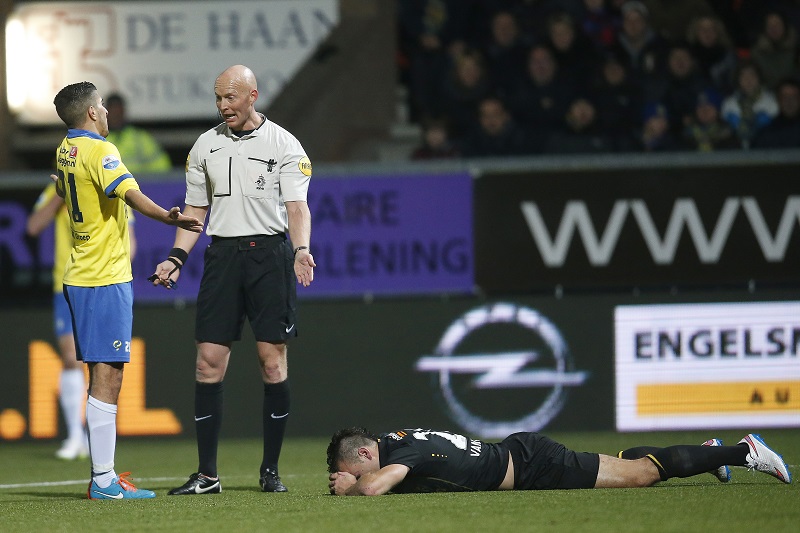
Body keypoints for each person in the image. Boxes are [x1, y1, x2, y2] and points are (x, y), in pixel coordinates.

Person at [150, 64, 315, 496]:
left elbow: (297, 206)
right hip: (222, 257)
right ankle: (207, 475)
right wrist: (175, 257)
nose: (224, 106)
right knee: (207, 362)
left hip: (269, 256)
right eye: (218, 98)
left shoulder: (283, 143)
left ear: (253, 95)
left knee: (271, 361)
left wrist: (301, 250)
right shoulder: (205, 146)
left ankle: (270, 471)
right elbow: (195, 213)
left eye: (231, 98)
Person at [51, 81, 203, 499]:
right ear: (91, 114)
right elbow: (131, 195)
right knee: (108, 375)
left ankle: (105, 475)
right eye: (100, 104)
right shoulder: (102, 150)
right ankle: (103, 480)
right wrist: (170, 218)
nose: (104, 110)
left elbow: (66, 189)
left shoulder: (66, 148)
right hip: (103, 277)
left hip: (80, 273)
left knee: (100, 372)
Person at [327, 427, 792, 495]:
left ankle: (744, 451)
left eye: (354, 467)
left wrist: (353, 487)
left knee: (640, 476)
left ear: (367, 454)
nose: (359, 475)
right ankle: (708, 454)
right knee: (623, 466)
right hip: (523, 455)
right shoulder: (395, 437)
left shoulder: (396, 453)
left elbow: (374, 487)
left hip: (534, 465)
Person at [26, 183, 136, 460]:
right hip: (67, 283)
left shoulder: (116, 188)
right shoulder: (61, 189)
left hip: (104, 283)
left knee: (100, 361)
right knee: (70, 357)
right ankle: (75, 434)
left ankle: (91, 437)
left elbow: (130, 241)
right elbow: (33, 227)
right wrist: (58, 197)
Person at [104, 93, 172, 173]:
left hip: (138, 184)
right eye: (113, 112)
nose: (116, 116)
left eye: (118, 112)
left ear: (124, 112)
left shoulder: (139, 138)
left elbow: (163, 167)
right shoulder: (97, 139)